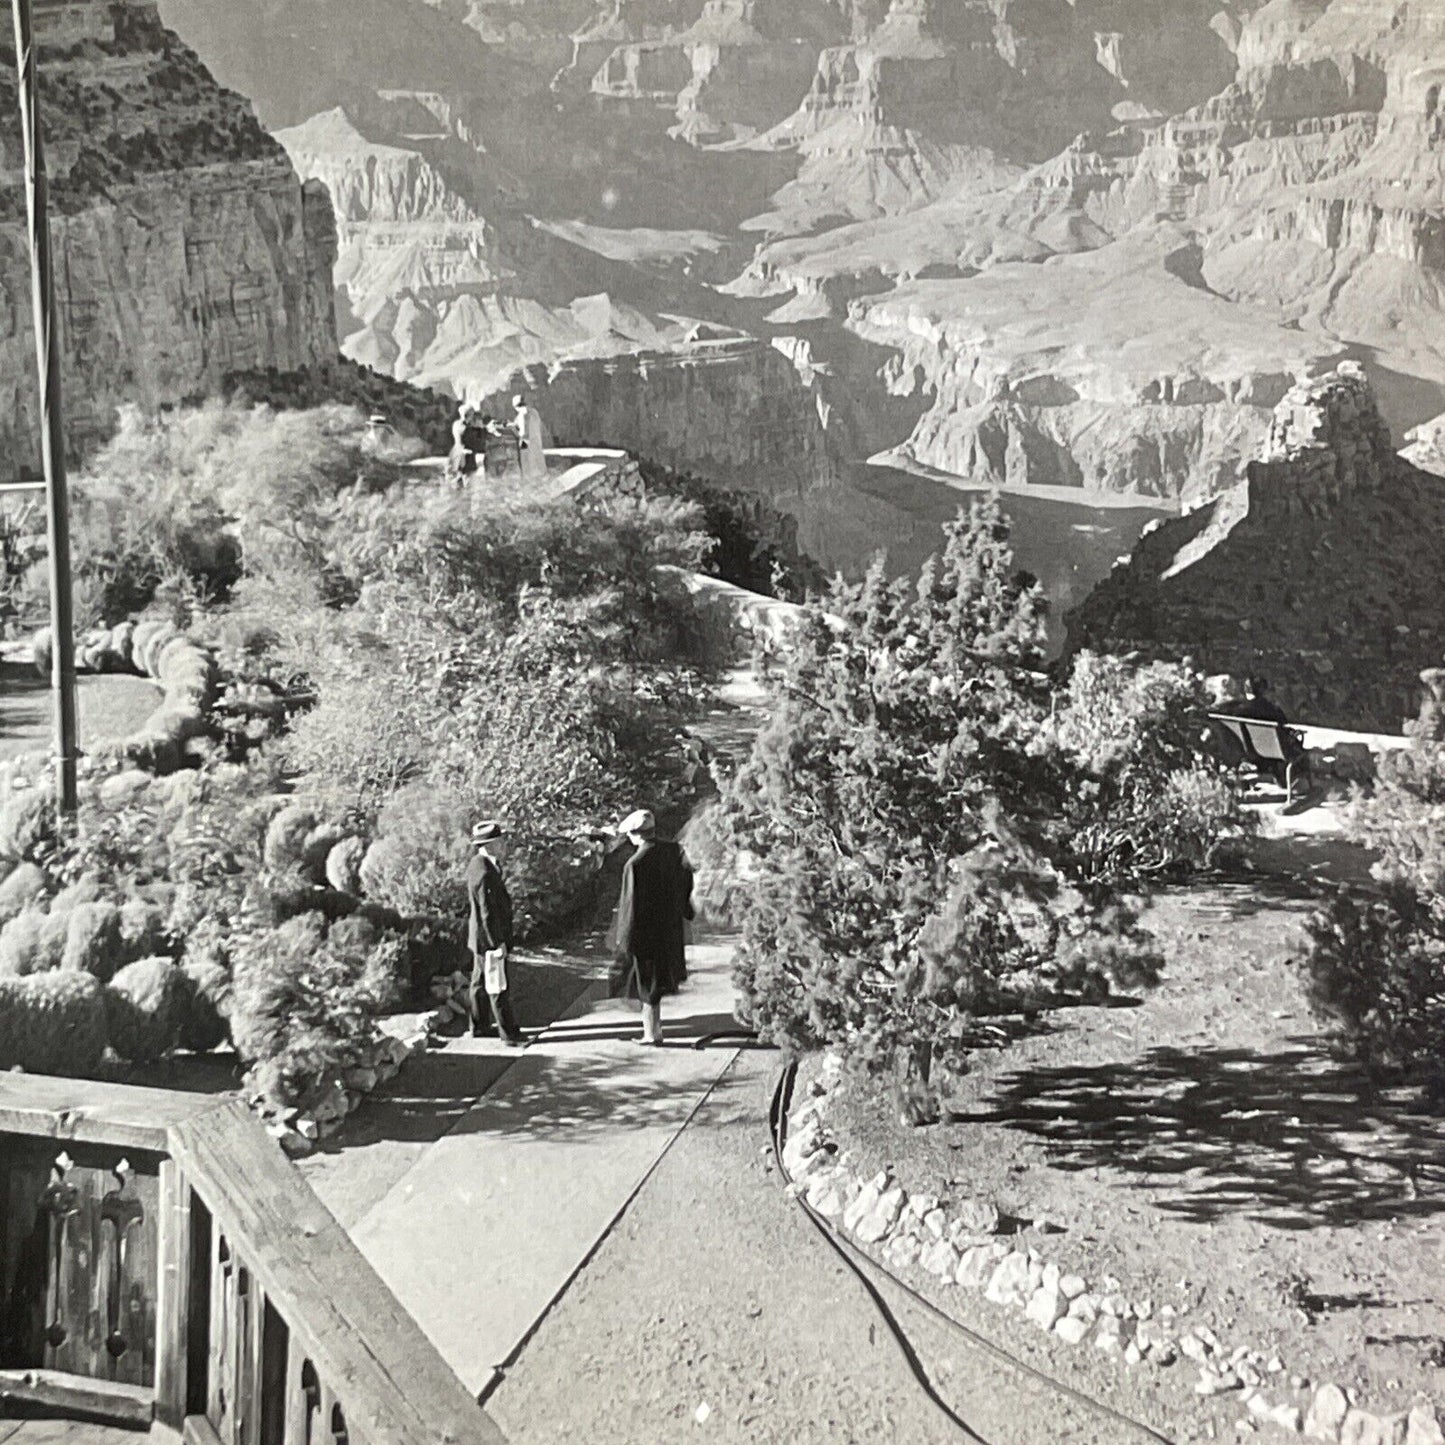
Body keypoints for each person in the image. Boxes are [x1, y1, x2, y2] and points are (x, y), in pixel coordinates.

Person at [613, 808, 694, 1046]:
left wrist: (624, 939)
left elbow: (630, 905)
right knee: (660, 980)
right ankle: (654, 1030)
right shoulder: (673, 851)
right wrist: (683, 910)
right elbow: (686, 881)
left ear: (636, 834)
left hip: (645, 933)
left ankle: (651, 1033)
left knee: (646, 984)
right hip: (669, 927)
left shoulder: (635, 864)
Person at [465, 820, 524, 1045]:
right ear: (490, 844)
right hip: (488, 938)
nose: (503, 844)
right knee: (496, 984)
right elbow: (487, 912)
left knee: (478, 983)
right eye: (500, 841)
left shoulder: (478, 864)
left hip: (478, 937)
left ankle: (479, 1026)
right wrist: (498, 942)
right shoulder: (485, 872)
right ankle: (509, 1034)